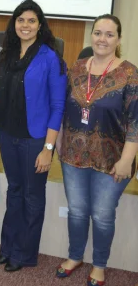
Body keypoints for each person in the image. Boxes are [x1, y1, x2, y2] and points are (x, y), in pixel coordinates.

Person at [56, 14, 138, 286]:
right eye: (98, 33)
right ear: (91, 36)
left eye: (109, 34)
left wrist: (128, 159)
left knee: (102, 215)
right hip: (73, 155)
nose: (102, 39)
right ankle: (75, 256)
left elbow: (135, 122)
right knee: (77, 211)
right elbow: (65, 109)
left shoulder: (129, 73)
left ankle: (100, 264)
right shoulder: (78, 66)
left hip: (112, 159)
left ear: (119, 39)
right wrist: (58, 141)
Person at [0, 0, 67, 272]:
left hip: (35, 139)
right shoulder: (7, 52)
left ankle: (24, 253)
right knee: (14, 191)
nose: (25, 25)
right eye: (21, 20)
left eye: (31, 20)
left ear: (40, 25)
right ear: (14, 23)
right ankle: (8, 246)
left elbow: (58, 106)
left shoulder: (50, 57)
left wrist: (48, 148)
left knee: (32, 197)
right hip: (9, 136)